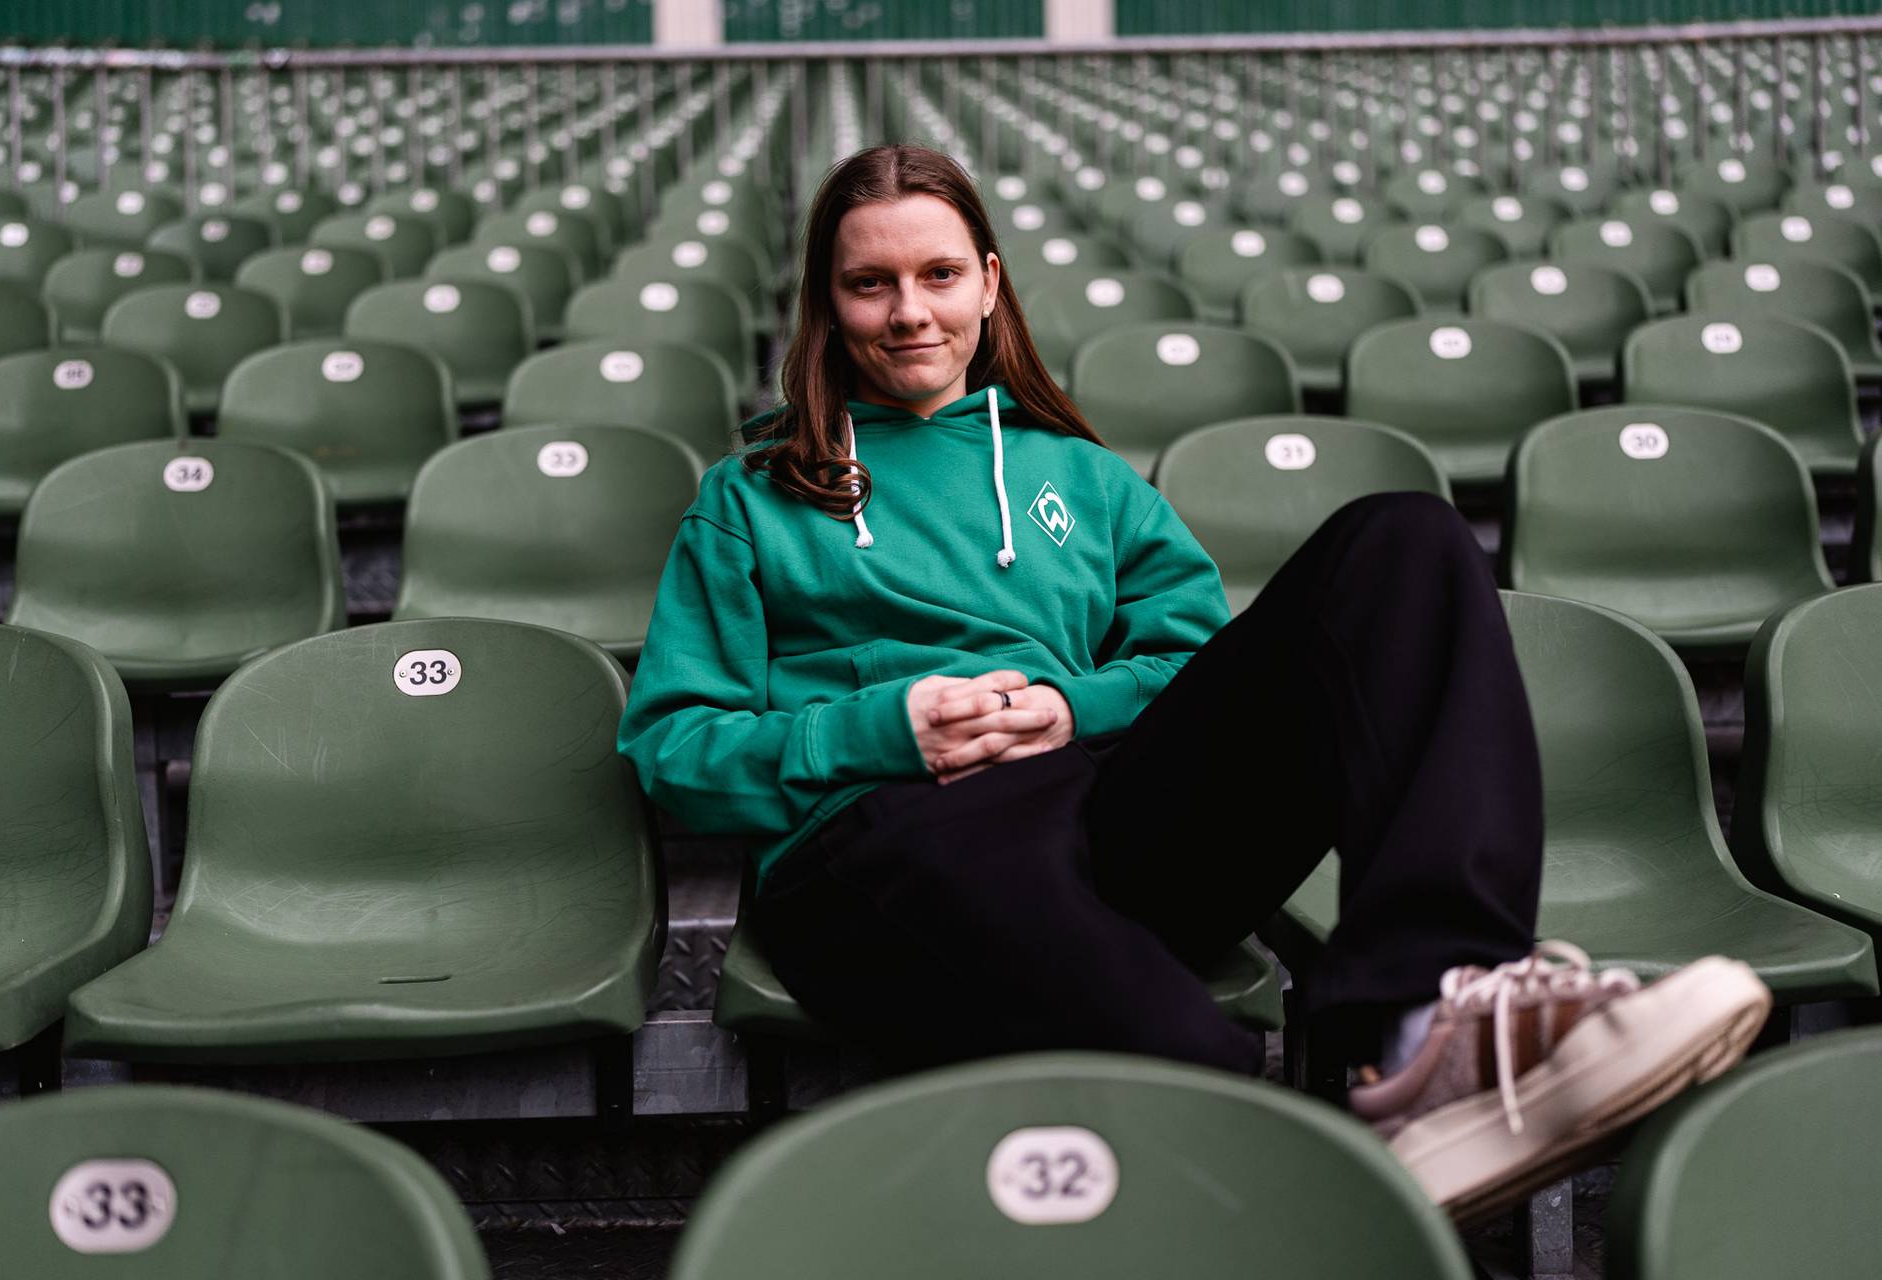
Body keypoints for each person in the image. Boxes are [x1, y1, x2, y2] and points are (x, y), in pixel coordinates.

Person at [618, 144, 1771, 1222]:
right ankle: (1327, 1194)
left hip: (1091, 804)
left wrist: (1073, 706)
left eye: (939, 275)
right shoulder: (752, 493)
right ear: (828, 303)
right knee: (1184, 1062)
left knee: (1407, 544)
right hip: (880, 831)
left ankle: (1430, 1022)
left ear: (990, 284)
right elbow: (672, 747)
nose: (909, 311)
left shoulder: (1084, 477)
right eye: (870, 284)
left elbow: (1188, 663)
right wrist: (884, 726)